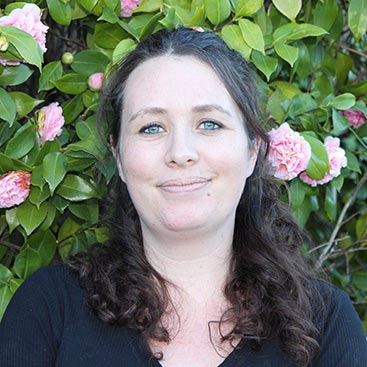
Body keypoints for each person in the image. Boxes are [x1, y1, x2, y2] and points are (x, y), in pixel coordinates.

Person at [0, 27, 366, 367]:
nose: (180, 151)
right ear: (119, 158)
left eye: (209, 123)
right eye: (151, 127)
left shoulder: (325, 322)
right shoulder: (48, 309)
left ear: (252, 150)